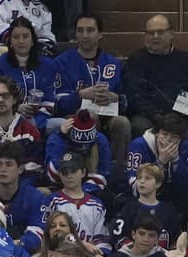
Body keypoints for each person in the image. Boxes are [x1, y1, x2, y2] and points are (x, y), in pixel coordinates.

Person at [53, 13, 131, 170]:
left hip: (108, 115)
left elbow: (126, 98)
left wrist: (115, 97)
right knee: (91, 117)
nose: (85, 35)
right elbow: (58, 104)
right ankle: (89, 173)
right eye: (80, 30)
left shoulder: (113, 63)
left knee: (122, 123)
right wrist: (81, 95)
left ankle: (116, 174)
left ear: (100, 34)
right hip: (75, 116)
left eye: (90, 30)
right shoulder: (62, 62)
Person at [123, 14, 188, 137]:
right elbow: (133, 98)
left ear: (172, 34)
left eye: (160, 32)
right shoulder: (136, 60)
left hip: (185, 116)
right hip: (151, 117)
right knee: (139, 126)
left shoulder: (187, 59)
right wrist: (158, 117)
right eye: (150, 33)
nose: (155, 36)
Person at [0, 17, 59, 135]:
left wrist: (35, 114)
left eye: (25, 36)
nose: (21, 41)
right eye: (16, 37)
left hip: (42, 120)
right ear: (10, 41)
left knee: (62, 125)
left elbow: (50, 101)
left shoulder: (48, 64)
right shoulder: (1, 64)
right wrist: (16, 108)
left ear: (33, 40)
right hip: (9, 120)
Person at [42, 151, 110, 257]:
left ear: (83, 172)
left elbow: (102, 240)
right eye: (64, 172)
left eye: (73, 171)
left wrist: (97, 254)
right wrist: (79, 244)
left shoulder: (97, 205)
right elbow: (47, 237)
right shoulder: (51, 201)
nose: (69, 175)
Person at [124, 112, 188, 203]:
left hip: (173, 197)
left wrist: (176, 160)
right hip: (140, 200)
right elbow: (136, 190)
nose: (168, 139)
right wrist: (161, 162)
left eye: (174, 136)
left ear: (180, 139)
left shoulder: (184, 147)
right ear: (157, 133)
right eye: (164, 134)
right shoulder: (139, 146)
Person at [110, 162, 181, 251]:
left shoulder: (168, 211)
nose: (142, 181)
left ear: (158, 183)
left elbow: (176, 239)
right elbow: (118, 236)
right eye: (139, 178)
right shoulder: (128, 208)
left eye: (148, 178)